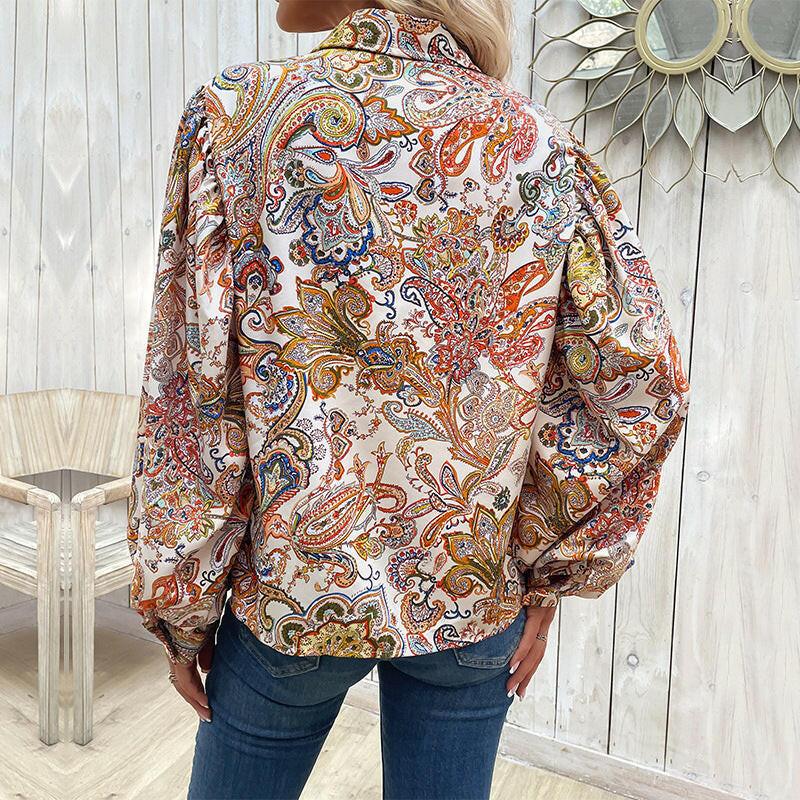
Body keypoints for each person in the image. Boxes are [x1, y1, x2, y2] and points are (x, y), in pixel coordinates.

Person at [126, 1, 691, 797]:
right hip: (471, 595)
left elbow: (191, 395)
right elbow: (638, 381)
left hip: (297, 595)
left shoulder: (238, 118)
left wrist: (182, 603)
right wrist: (550, 565)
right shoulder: (540, 146)